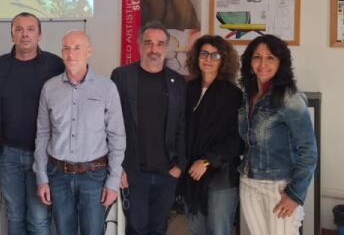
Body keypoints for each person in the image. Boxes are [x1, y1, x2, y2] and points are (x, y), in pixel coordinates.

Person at [34, 30, 125, 235]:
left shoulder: (107, 88)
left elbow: (117, 137)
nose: (71, 54)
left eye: (77, 48)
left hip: (94, 177)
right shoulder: (49, 88)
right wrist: (42, 177)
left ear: (89, 51)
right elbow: (42, 135)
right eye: (66, 48)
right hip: (58, 176)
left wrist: (113, 181)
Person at [0, 12, 64, 235]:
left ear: (39, 35)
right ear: (12, 34)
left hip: (41, 155)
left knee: (39, 217)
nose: (25, 34)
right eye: (19, 29)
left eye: (30, 29)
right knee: (14, 214)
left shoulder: (54, 65)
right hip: (8, 155)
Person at [110, 20, 186, 235]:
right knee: (136, 228)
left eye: (160, 44)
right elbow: (111, 124)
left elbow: (182, 125)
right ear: (139, 44)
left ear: (167, 47)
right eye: (148, 43)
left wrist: (179, 165)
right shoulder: (121, 76)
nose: (154, 49)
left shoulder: (178, 82)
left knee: (159, 228)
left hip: (167, 172)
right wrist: (118, 166)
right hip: (133, 172)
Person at [238, 34, 317, 235]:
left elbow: (309, 151)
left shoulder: (290, 98)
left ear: (281, 63)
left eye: (270, 58)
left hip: (280, 187)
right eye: (257, 57)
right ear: (249, 62)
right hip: (249, 182)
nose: (263, 64)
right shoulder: (247, 95)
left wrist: (295, 194)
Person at [182, 35, 242, 235]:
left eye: (215, 55)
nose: (208, 59)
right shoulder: (186, 89)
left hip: (220, 175)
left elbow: (236, 139)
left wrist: (207, 161)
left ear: (223, 60)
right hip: (191, 173)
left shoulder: (233, 94)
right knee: (196, 228)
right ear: (196, 57)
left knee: (218, 231)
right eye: (204, 54)